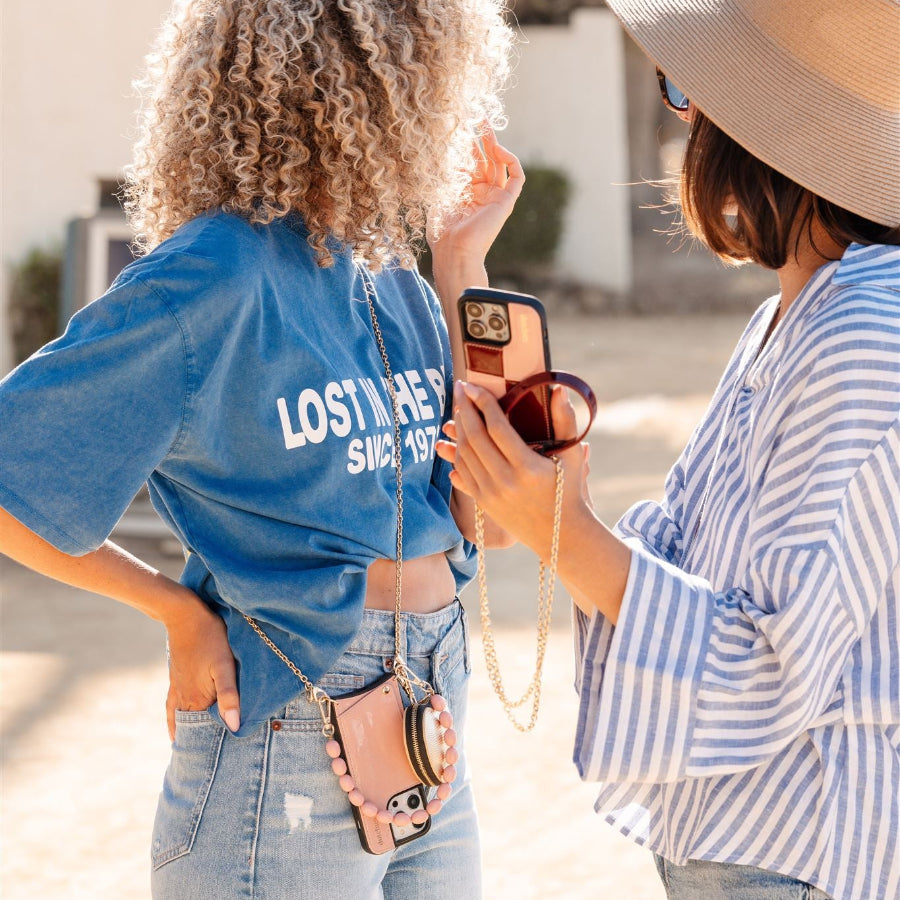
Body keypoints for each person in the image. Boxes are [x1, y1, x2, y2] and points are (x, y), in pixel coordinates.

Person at [0, 1, 524, 897]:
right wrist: (175, 611)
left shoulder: (391, 269)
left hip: (432, 711)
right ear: (375, 81)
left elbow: (487, 516)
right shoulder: (210, 273)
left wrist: (460, 263)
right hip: (285, 737)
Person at [437, 0, 900, 898]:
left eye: (686, 90)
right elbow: (711, 572)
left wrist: (561, 527)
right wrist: (559, 504)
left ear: (764, 133)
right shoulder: (796, 314)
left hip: (798, 850)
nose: (680, 116)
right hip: (759, 843)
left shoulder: (864, 330)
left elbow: (769, 663)